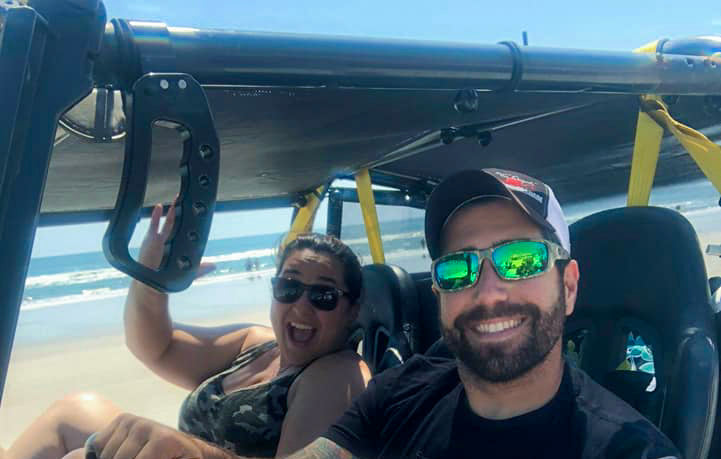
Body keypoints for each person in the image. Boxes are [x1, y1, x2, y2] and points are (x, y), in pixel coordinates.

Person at [79, 169, 680, 459]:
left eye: (520, 260)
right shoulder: (406, 390)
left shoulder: (629, 451)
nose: (489, 292)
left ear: (567, 287)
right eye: (459, 268)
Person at [7, 203, 370, 459]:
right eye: (289, 287)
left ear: (352, 309)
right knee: (75, 411)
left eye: (323, 295)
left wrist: (192, 451)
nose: (302, 306)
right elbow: (158, 347)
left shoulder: (338, 374)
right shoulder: (257, 344)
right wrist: (152, 278)